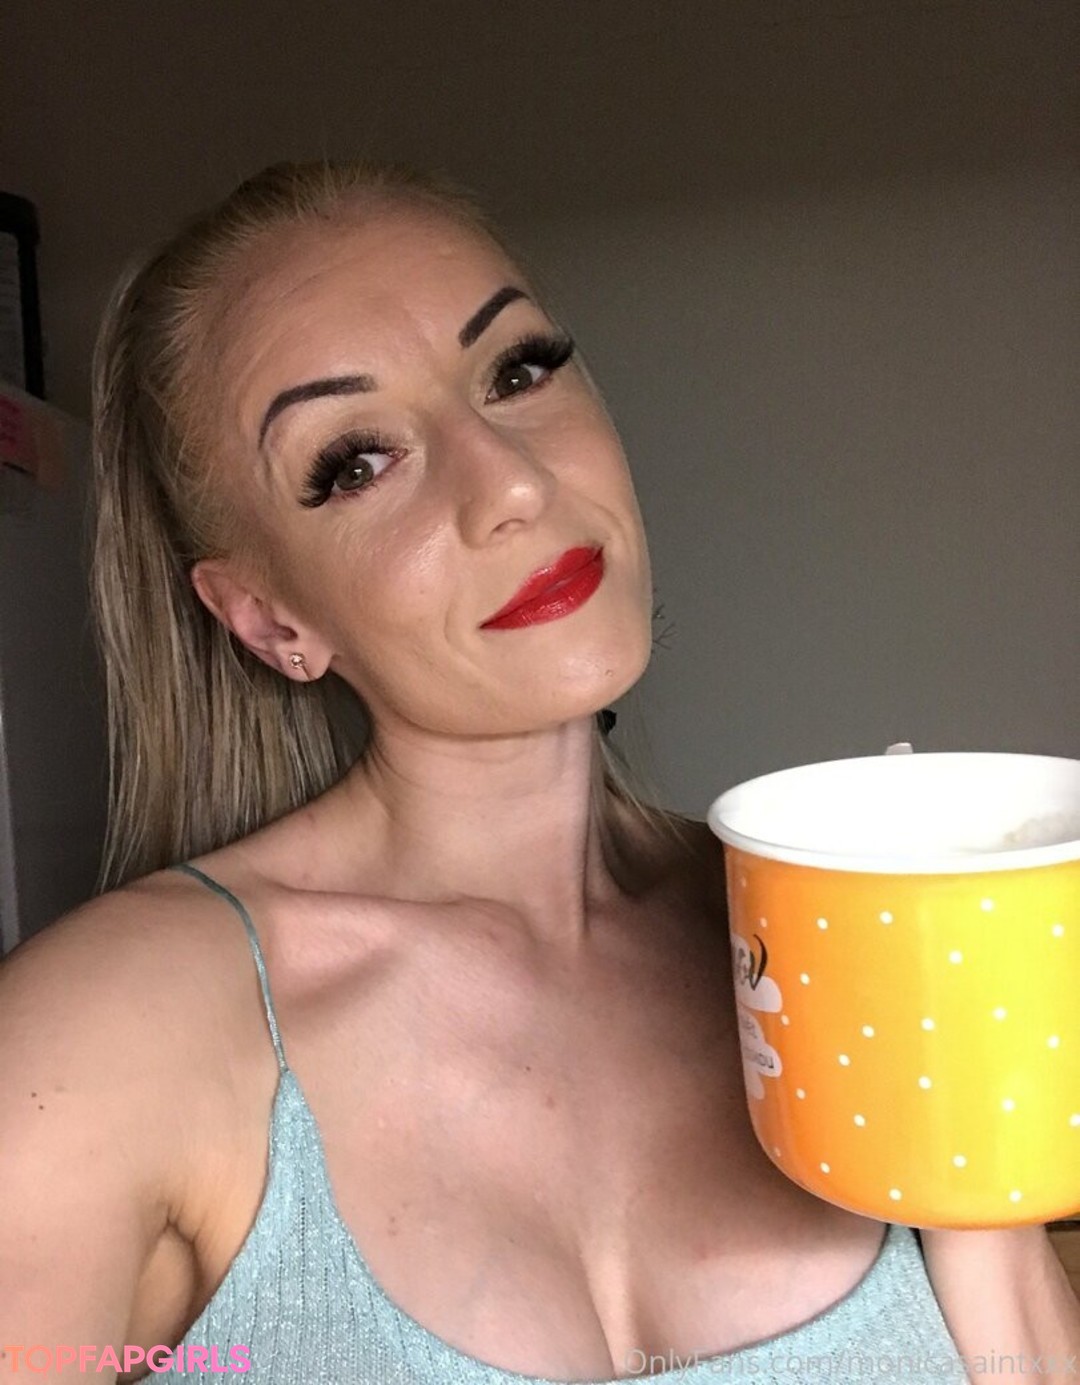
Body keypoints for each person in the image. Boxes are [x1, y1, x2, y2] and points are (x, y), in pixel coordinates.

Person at [0, 161, 1076, 1385]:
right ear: (268, 617)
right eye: (357, 460)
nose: (511, 480)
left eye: (517, 371)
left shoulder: (839, 935)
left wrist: (952, 1017)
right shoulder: (97, 1041)